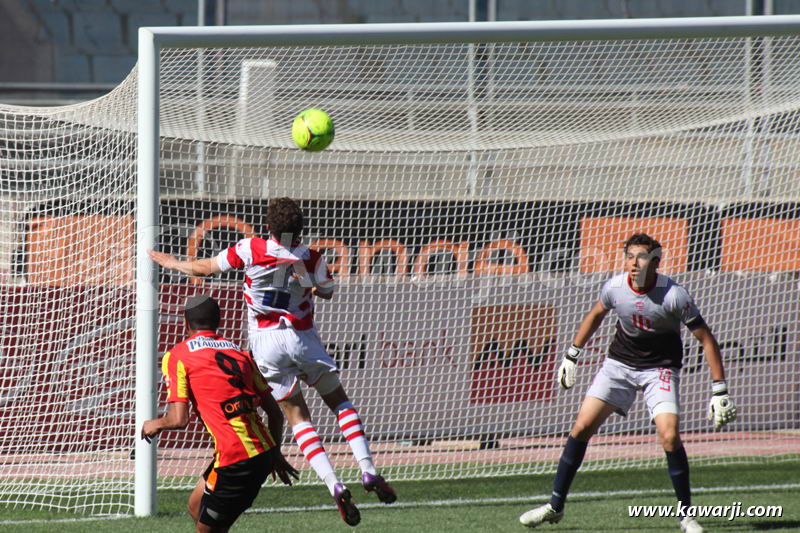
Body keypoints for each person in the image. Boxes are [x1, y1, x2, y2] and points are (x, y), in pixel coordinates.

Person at [148, 197, 396, 527]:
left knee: (297, 416)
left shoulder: (251, 248)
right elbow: (327, 291)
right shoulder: (312, 257)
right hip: (302, 337)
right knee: (340, 403)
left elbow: (203, 268)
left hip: (266, 344)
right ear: (302, 229)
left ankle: (333, 483)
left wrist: (172, 263)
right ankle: (368, 470)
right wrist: (303, 278)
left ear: (269, 227)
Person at [519, 233, 737, 533]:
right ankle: (555, 506)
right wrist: (571, 355)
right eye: (630, 256)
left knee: (670, 436)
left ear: (656, 262)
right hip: (618, 366)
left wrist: (719, 389)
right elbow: (596, 315)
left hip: (658, 370)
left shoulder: (675, 295)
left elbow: (707, 339)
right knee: (581, 427)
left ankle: (686, 517)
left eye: (642, 257)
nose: (634, 263)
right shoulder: (615, 287)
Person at [141, 294, 299, 533]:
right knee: (196, 506)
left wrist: (155, 424)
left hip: (238, 460)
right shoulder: (241, 354)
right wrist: (275, 454)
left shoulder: (178, 356)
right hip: (257, 450)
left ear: (185, 322)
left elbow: (178, 419)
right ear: (219, 321)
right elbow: (275, 414)